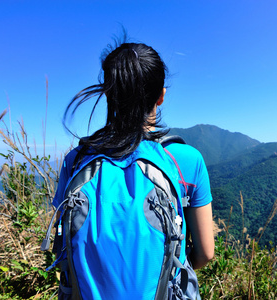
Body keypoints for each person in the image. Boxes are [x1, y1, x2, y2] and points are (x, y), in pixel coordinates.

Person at [53, 39, 214, 297]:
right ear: (161, 96)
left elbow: (66, 246)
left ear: (108, 93)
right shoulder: (186, 160)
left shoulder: (76, 160)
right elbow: (206, 252)